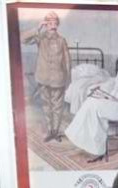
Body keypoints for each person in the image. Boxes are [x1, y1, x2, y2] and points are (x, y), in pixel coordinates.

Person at [65, 49, 118, 163]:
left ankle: (97, 149)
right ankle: (83, 138)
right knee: (91, 101)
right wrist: (108, 96)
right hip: (115, 103)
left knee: (96, 107)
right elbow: (116, 89)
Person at [22, 11, 71, 142]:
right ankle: (50, 131)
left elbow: (67, 61)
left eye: (54, 22)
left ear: (57, 24)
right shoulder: (40, 37)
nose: (52, 25)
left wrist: (67, 79)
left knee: (57, 107)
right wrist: (38, 27)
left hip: (58, 79)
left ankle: (55, 131)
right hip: (43, 78)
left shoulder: (61, 40)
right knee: (46, 106)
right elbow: (23, 39)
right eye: (49, 22)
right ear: (45, 23)